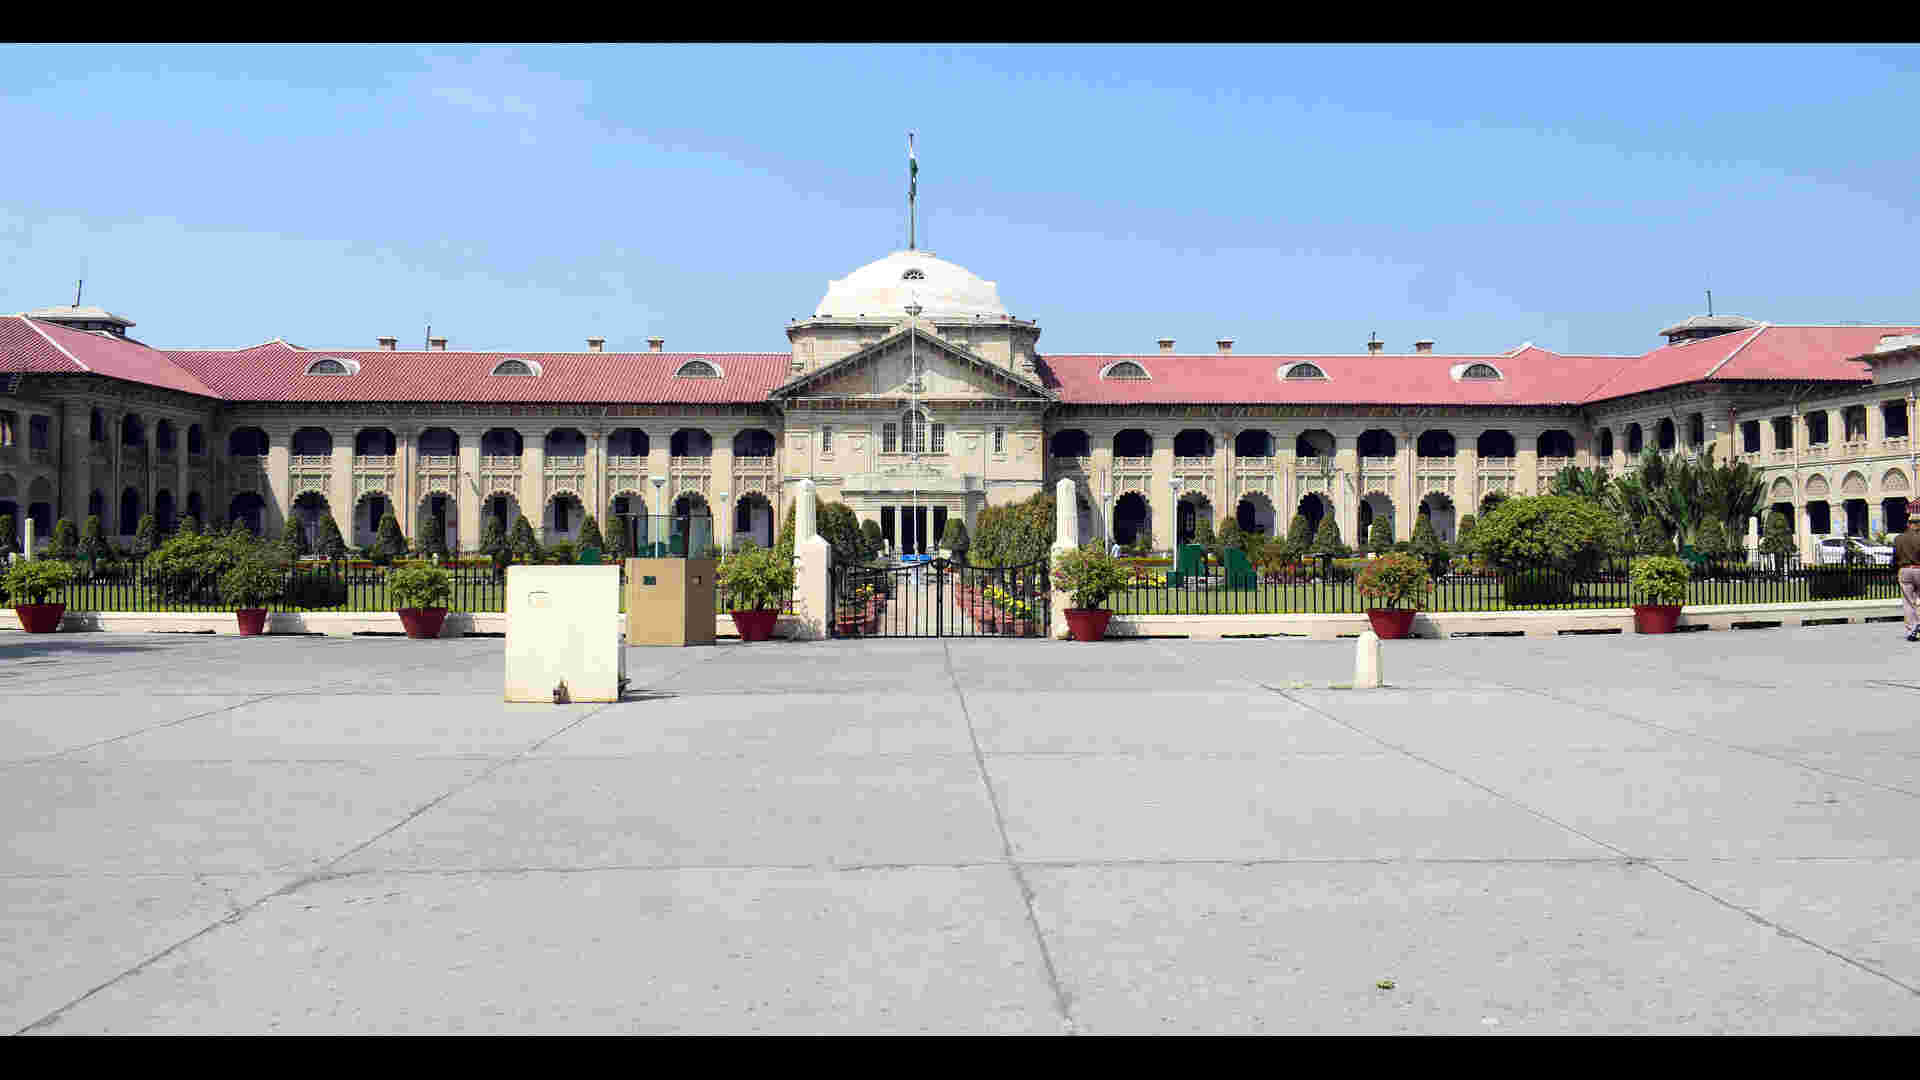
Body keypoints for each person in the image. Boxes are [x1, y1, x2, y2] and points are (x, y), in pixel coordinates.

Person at [1897, 500, 1920, 642]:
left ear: (1908, 524)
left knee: (1908, 602)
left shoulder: (1899, 538)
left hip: (1905, 570)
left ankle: (1912, 628)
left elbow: (1894, 557)